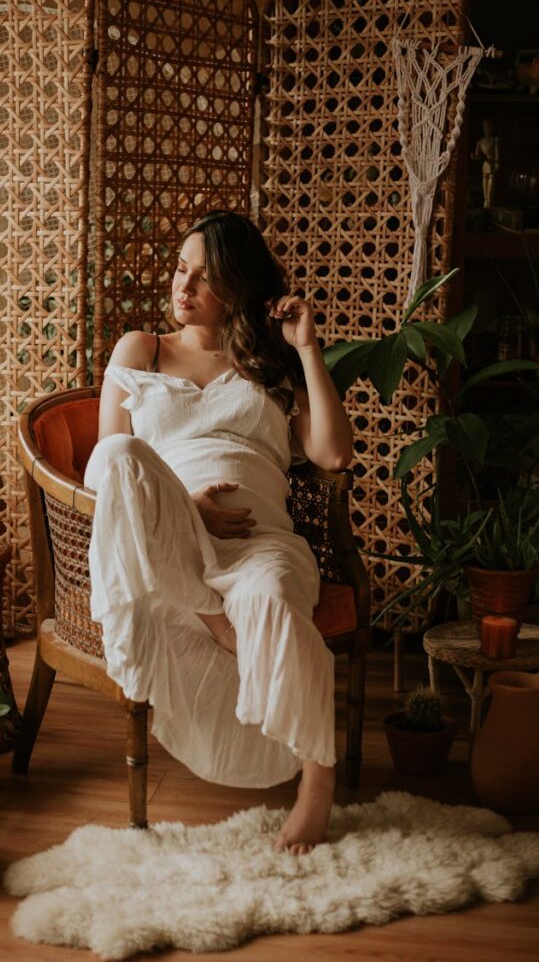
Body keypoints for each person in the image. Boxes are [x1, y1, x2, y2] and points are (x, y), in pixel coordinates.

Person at [84, 210, 353, 854]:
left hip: (260, 543)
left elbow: (334, 454)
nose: (185, 286)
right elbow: (107, 474)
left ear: (237, 288)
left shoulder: (271, 362)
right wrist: (185, 506)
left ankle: (317, 785)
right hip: (170, 532)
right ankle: (213, 612)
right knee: (122, 459)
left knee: (275, 595)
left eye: (204, 277)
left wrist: (306, 348)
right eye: (182, 269)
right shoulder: (141, 349)